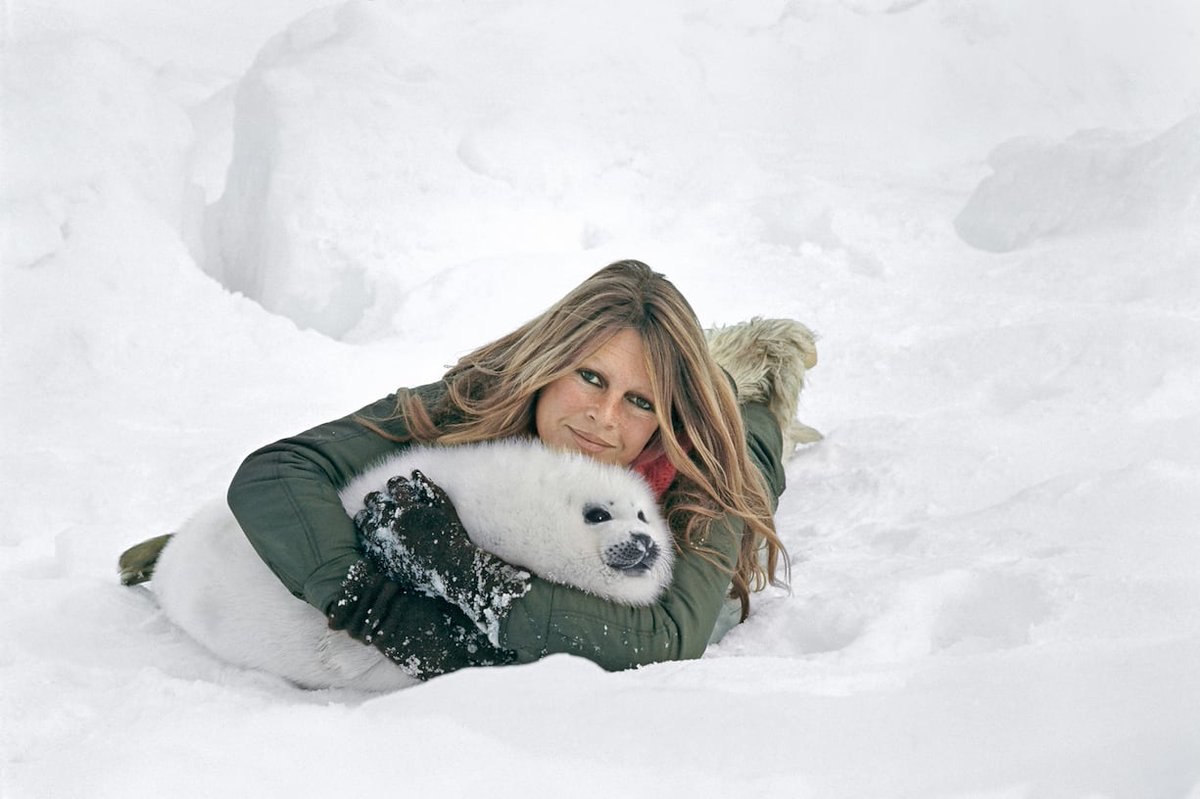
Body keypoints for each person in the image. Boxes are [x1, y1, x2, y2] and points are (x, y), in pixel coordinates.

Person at [121, 259, 819, 681]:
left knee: (749, 418)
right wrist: (359, 593)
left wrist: (471, 579)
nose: (604, 419)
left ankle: (752, 371)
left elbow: (667, 639)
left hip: (727, 437)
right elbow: (281, 470)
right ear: (550, 364)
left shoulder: (706, 469)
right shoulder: (481, 399)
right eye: (589, 377)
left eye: (640, 402)